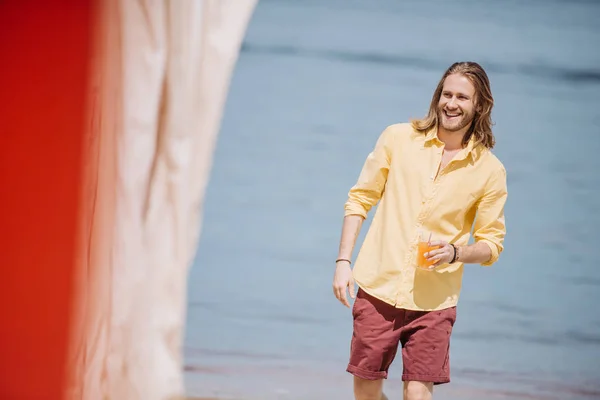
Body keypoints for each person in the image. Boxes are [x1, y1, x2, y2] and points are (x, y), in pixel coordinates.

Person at [332, 61, 508, 400]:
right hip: (378, 287)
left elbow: (491, 244)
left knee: (417, 392)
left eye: (462, 97)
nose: (451, 103)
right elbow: (359, 199)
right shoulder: (398, 138)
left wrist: (456, 252)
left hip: (435, 300)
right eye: (447, 94)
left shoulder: (489, 170)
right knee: (366, 392)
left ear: (480, 105)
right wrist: (343, 261)